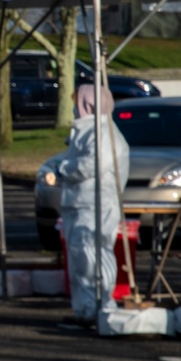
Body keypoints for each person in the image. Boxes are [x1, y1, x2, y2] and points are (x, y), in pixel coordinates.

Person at [58, 83, 129, 325]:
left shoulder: (102, 132)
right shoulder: (87, 130)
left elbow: (91, 165)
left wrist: (63, 169)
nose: (72, 107)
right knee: (81, 258)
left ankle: (100, 307)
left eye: (75, 101)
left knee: (93, 256)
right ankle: (86, 309)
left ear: (87, 103)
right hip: (82, 202)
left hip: (95, 203)